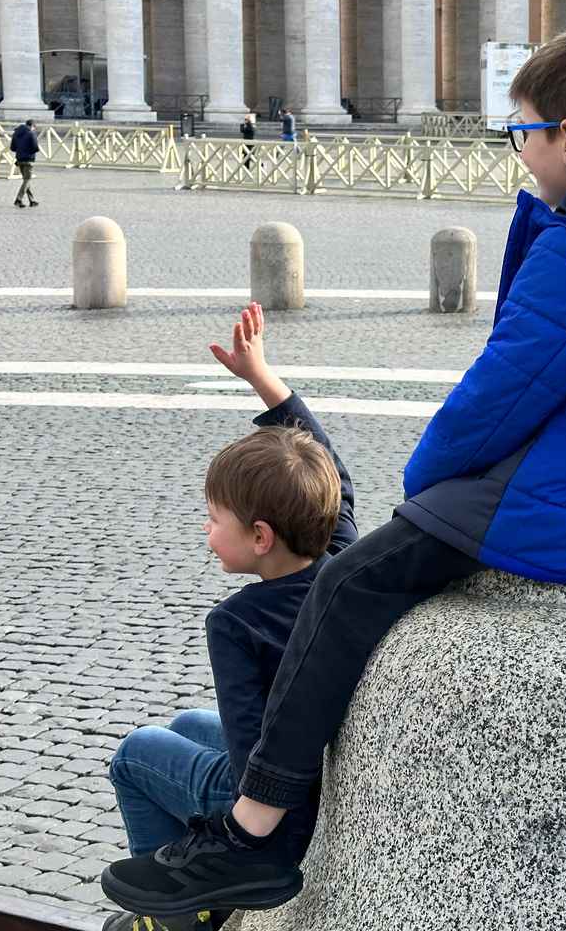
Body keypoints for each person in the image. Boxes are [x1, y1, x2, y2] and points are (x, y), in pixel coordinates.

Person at [99, 20, 566, 919]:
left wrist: (427, 482)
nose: (518, 150)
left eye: (522, 131)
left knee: (350, 584)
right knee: (358, 571)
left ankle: (253, 835)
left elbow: (496, 397)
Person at [101, 303, 357, 931]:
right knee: (188, 720)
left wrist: (242, 830)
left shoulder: (238, 624)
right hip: (324, 763)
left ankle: (174, 913)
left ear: (261, 536)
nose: (207, 530)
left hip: (275, 802)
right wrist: (263, 379)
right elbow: (332, 472)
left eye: (216, 520)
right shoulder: (341, 558)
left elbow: (252, 762)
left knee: (136, 753)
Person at [10, 118, 40, 208]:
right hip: (28, 159)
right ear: (32, 126)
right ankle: (18, 199)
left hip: (19, 159)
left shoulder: (16, 133)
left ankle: (32, 200)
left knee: (26, 180)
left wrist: (20, 150)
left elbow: (12, 147)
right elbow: (35, 147)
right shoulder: (31, 133)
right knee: (27, 180)